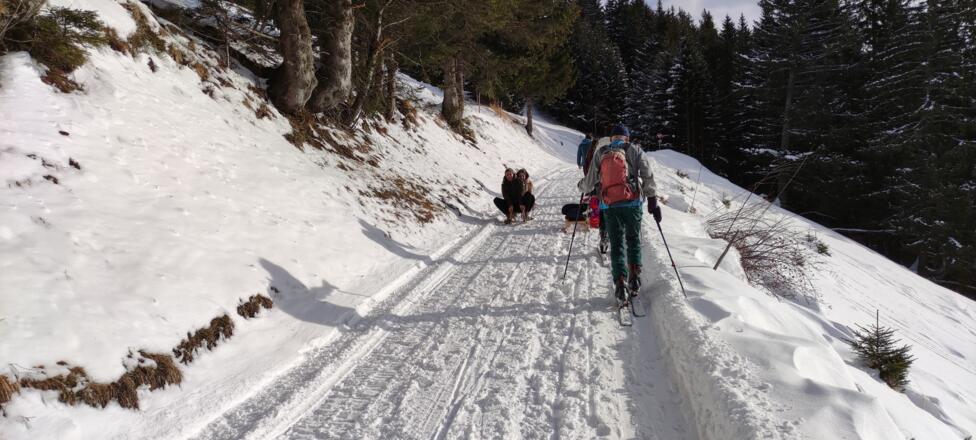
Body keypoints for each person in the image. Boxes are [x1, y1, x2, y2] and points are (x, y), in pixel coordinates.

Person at [578, 123, 662, 303]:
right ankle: (634, 277)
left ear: (611, 138)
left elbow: (590, 182)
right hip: (632, 204)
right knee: (632, 240)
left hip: (610, 206)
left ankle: (620, 282)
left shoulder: (602, 152)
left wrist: (581, 186)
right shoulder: (635, 150)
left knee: (617, 244)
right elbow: (648, 175)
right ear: (627, 138)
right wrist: (652, 200)